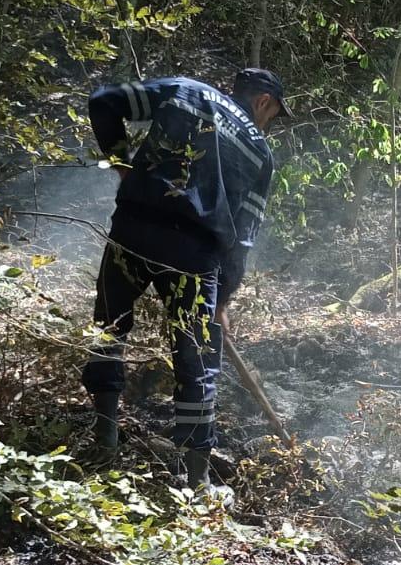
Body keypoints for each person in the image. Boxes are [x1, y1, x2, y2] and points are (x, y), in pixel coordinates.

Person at [82, 68, 287, 488]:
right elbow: (243, 238)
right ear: (264, 101)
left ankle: (104, 443)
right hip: (194, 256)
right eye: (274, 114)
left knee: (109, 329)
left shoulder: (184, 90)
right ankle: (197, 481)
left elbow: (103, 102)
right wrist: (222, 302)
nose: (268, 123)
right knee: (197, 363)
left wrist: (123, 166)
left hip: (132, 230)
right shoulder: (260, 152)